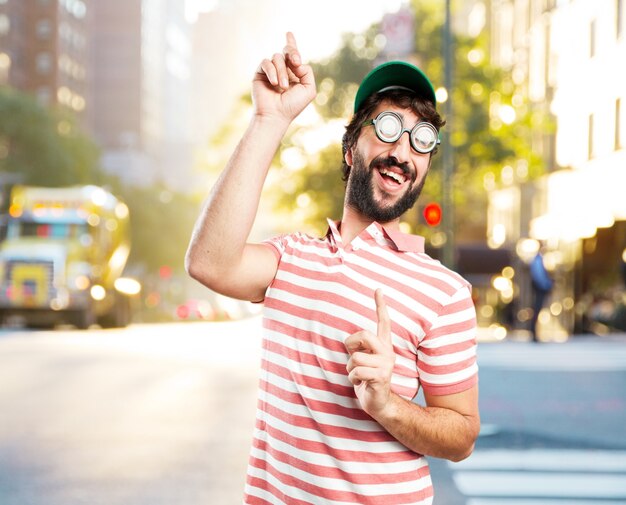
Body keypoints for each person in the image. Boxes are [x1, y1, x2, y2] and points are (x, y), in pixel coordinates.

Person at [186, 32, 480, 505]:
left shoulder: (443, 291)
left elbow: (462, 435)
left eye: (421, 141)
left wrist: (388, 405)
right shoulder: (291, 259)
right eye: (387, 128)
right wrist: (269, 118)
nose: (403, 152)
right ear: (350, 149)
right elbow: (208, 262)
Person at [529, 248, 553, 342]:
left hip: (540, 288)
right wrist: (546, 285)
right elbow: (538, 276)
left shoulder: (538, 260)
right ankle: (533, 332)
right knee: (537, 310)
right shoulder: (538, 260)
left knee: (537, 310)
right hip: (540, 289)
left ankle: (534, 332)